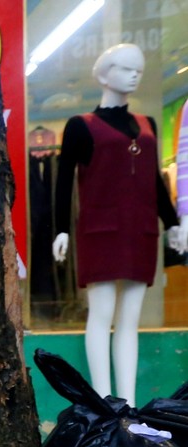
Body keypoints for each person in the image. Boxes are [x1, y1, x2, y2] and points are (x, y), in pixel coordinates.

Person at [53, 43, 183, 405]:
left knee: (130, 320)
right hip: (100, 233)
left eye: (138, 70)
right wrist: (61, 229)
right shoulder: (81, 126)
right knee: (101, 313)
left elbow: (155, 180)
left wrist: (172, 223)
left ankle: (127, 403)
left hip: (140, 232)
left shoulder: (148, 125)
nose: (134, 75)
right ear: (104, 74)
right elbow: (64, 181)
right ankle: (103, 400)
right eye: (126, 68)